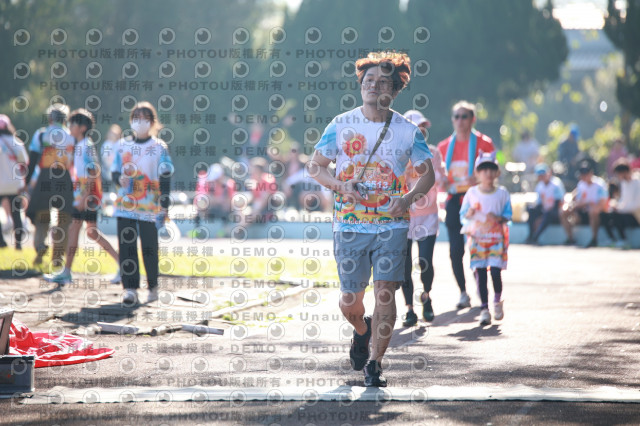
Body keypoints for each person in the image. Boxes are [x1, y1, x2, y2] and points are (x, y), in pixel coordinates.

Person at [307, 51, 435, 387]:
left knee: (385, 294)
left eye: (382, 82)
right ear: (361, 85)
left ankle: (375, 364)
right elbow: (315, 166)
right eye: (368, 80)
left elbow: (427, 175)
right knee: (350, 300)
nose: (373, 86)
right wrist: (340, 185)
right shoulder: (341, 124)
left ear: (395, 90)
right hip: (349, 224)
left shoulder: (408, 131)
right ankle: (361, 330)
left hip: (392, 224)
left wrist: (406, 200)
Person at [43, 109, 119, 285]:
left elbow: (93, 172)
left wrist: (84, 197)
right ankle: (67, 271)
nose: (69, 126)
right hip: (83, 196)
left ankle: (67, 272)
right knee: (87, 232)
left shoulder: (86, 145)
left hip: (88, 198)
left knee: (82, 231)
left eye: (73, 124)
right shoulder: (79, 145)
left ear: (83, 127)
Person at [111, 102, 173, 305]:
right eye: (136, 118)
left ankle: (153, 286)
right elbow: (114, 171)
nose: (140, 122)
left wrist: (165, 205)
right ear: (131, 121)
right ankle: (130, 289)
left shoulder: (159, 147)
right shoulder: (122, 145)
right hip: (125, 205)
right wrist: (118, 178)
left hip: (150, 206)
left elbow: (165, 177)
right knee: (126, 246)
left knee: (149, 247)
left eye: (145, 118)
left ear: (153, 122)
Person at [437, 101, 495, 310]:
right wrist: (442, 182)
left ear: (473, 119)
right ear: (452, 120)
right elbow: (437, 177)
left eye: (464, 116)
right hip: (454, 202)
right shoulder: (444, 147)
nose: (460, 121)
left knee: (478, 250)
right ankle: (463, 292)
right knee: (455, 251)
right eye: (457, 116)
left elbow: (494, 172)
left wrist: (478, 179)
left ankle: (482, 291)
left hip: (478, 202)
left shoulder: (484, 143)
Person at [401, 110, 445, 326]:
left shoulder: (433, 153)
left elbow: (440, 179)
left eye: (422, 128)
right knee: (404, 265)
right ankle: (410, 309)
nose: (420, 131)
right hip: (404, 216)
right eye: (415, 128)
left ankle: (426, 296)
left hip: (428, 216)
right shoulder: (397, 154)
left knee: (425, 262)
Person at [460, 151, 511, 326]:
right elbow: (463, 215)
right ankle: (484, 309)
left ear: (497, 172)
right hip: (478, 239)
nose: (488, 173)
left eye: (491, 169)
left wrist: (498, 218)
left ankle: (497, 301)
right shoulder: (472, 193)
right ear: (477, 173)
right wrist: (469, 213)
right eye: (483, 169)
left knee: (495, 272)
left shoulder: (502, 193)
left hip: (496, 238)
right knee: (480, 274)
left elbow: (508, 215)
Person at [25, 104, 75, 267]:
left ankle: (40, 246)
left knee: (42, 217)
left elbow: (33, 160)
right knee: (63, 219)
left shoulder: (41, 134)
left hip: (45, 177)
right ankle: (58, 258)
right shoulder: (71, 136)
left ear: (50, 118)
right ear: (65, 119)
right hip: (64, 178)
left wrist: (26, 182)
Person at [560, 161, 607, 247]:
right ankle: (570, 238)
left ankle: (594, 239)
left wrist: (588, 204)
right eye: (582, 175)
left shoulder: (600, 184)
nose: (584, 177)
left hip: (596, 212)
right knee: (564, 211)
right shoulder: (581, 184)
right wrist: (572, 205)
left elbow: (602, 203)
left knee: (593, 211)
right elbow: (576, 198)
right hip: (583, 210)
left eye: (586, 174)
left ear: (591, 173)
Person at [0, 114, 28, 250]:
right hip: (15, 184)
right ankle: (18, 244)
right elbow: (24, 162)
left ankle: (1, 242)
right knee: (16, 214)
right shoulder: (16, 142)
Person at [600, 159, 640, 248]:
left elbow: (637, 204)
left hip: (636, 216)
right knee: (604, 214)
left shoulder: (637, 183)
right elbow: (623, 201)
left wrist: (620, 209)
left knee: (616, 215)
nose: (617, 176)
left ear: (624, 172)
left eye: (618, 174)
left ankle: (624, 240)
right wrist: (615, 205)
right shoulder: (624, 183)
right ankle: (611, 239)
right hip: (625, 213)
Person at [526, 163, 565, 244]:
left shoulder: (556, 184)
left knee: (548, 214)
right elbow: (539, 203)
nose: (541, 177)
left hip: (555, 211)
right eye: (539, 175)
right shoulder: (539, 186)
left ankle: (536, 237)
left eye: (543, 175)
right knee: (531, 210)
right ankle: (530, 235)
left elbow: (558, 202)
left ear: (548, 173)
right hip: (545, 210)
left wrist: (544, 213)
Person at [100, 124, 122, 193]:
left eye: (115, 134)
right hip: (107, 175)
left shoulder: (120, 144)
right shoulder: (107, 144)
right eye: (112, 133)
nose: (113, 135)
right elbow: (107, 160)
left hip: (118, 174)